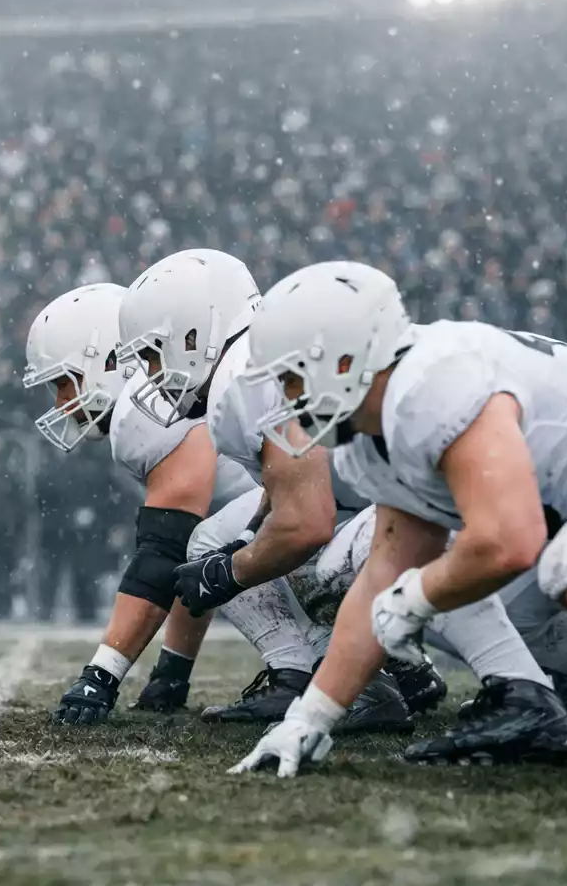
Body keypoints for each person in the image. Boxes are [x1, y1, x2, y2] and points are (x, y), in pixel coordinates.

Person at [232, 260, 567, 790]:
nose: (285, 395)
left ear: (343, 357)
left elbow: (511, 540)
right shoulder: (373, 434)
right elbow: (381, 576)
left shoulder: (431, 381)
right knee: (512, 605)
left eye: (291, 374)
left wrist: (414, 598)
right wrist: (309, 719)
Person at [110, 250, 416, 730]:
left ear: (194, 333)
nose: (150, 374)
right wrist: (245, 541)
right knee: (222, 539)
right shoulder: (250, 360)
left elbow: (309, 523)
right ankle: (301, 674)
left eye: (152, 353)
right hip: (395, 493)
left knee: (322, 563)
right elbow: (292, 482)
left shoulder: (242, 376)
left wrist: (229, 573)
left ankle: (502, 680)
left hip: (435, 502)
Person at [23, 276, 234, 724]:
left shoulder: (139, 411)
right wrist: (172, 671)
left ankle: (299, 670)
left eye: (65, 382)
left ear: (109, 359)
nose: (62, 402)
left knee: (233, 548)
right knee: (220, 548)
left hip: (322, 529)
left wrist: (102, 674)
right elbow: (193, 555)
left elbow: (165, 553)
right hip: (336, 521)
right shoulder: (168, 394)